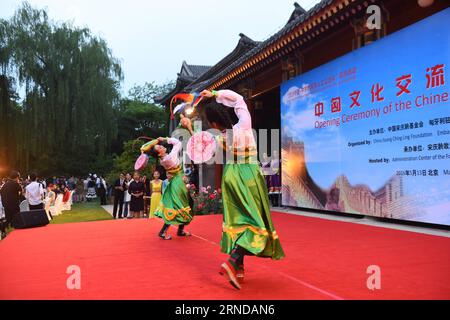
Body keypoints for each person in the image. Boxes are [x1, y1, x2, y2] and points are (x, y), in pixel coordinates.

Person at [181, 89, 285, 290]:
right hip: (249, 175)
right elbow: (238, 99)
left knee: (238, 220)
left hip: (231, 176)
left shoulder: (220, 138)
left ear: (213, 124)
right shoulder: (245, 124)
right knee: (256, 223)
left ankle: (238, 268)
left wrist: (189, 129)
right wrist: (215, 93)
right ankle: (233, 260)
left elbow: (201, 148)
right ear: (227, 115)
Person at [142, 137, 192, 240]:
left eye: (160, 145)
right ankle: (167, 231)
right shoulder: (168, 158)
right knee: (181, 207)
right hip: (178, 183)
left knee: (183, 206)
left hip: (176, 182)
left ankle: (178, 230)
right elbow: (177, 143)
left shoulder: (163, 159)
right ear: (159, 153)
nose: (162, 146)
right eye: (160, 147)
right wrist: (165, 138)